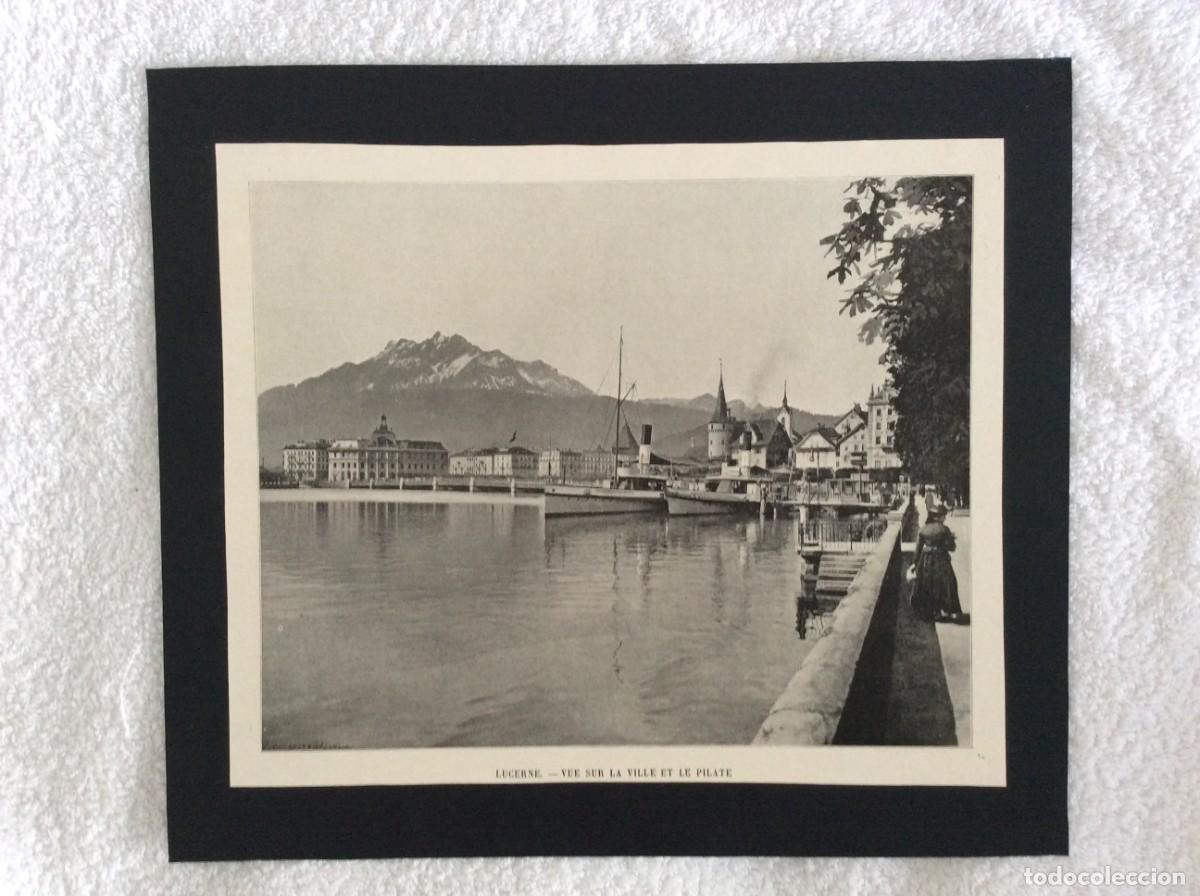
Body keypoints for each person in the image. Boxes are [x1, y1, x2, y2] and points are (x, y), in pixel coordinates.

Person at [909, 502, 966, 623]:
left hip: (926, 561)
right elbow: (951, 547)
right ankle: (950, 610)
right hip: (941, 560)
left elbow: (918, 549)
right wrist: (952, 539)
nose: (944, 518)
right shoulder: (944, 529)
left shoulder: (923, 529)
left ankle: (933, 612)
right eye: (943, 516)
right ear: (937, 517)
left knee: (928, 584)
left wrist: (914, 563)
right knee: (947, 583)